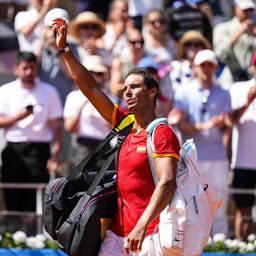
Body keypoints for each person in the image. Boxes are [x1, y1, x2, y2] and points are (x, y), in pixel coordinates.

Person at [52, 17, 180, 254]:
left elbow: (168, 183)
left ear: (153, 92)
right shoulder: (126, 122)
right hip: (117, 234)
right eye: (124, 89)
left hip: (149, 235)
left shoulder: (162, 132)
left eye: (135, 87)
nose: (127, 92)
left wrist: (142, 226)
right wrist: (65, 50)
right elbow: (89, 88)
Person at [169, 49, 233, 236]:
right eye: (202, 65)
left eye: (210, 65)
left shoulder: (223, 93)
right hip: (192, 156)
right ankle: (192, 241)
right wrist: (205, 125)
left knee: (219, 198)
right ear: (195, 67)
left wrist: (224, 123)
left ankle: (220, 242)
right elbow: (180, 124)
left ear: (215, 68)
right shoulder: (183, 91)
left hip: (216, 155)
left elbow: (227, 125)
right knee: (191, 201)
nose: (206, 69)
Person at [0, 51, 62, 230]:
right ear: (16, 69)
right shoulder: (5, 91)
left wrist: (55, 154)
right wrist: (20, 116)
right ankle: (14, 236)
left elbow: (56, 126)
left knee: (37, 195)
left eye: (32, 67)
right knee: (13, 195)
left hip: (40, 149)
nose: (28, 72)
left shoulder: (49, 91)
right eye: (24, 68)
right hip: (14, 148)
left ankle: (34, 236)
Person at [63, 55, 112, 170]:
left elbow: (114, 127)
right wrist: (87, 99)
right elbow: (70, 127)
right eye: (91, 73)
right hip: (82, 146)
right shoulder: (74, 97)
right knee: (80, 184)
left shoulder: (111, 98)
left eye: (99, 74)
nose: (95, 77)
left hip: (105, 146)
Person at [229, 52, 256, 241]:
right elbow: (229, 121)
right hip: (243, 161)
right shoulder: (239, 88)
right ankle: (240, 248)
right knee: (243, 211)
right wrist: (247, 102)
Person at [213, 0, 256, 87]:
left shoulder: (254, 30)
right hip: (230, 79)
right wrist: (239, 33)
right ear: (235, 8)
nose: (247, 13)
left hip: (251, 78)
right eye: (244, 10)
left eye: (250, 10)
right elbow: (219, 54)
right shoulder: (222, 28)